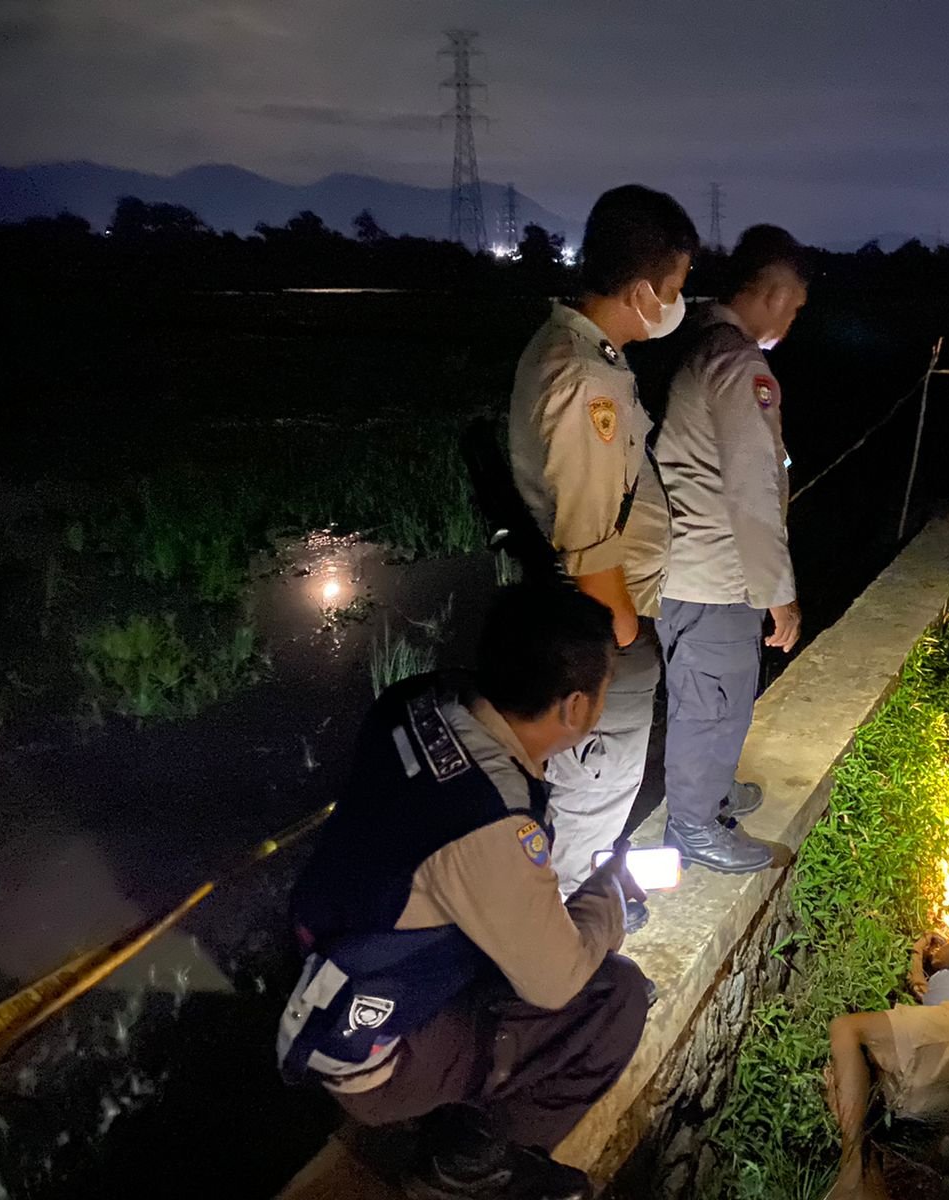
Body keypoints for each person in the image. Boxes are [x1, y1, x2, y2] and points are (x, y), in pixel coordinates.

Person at [276, 584, 650, 1200]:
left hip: (332, 960)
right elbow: (557, 982)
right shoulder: (489, 821)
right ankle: (470, 1165)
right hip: (373, 1055)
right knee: (616, 999)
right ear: (577, 707)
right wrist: (611, 894)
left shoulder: (414, 700)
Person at [508, 184, 700, 915]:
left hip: (590, 623)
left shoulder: (577, 349)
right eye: (677, 286)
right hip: (598, 632)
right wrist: (624, 645)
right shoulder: (586, 378)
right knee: (591, 787)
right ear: (646, 287)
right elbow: (592, 551)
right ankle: (559, 944)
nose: (680, 302)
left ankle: (585, 892)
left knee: (589, 789)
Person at [652, 225, 812, 874]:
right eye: (795, 306)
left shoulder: (698, 344)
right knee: (710, 704)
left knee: (717, 695)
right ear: (771, 293)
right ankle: (693, 825)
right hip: (712, 572)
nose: (794, 319)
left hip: (690, 564)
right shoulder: (741, 366)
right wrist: (782, 594)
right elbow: (752, 491)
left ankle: (711, 793)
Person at [824, 927, 949, 1200]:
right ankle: (869, 1185)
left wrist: (934, 947)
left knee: (846, 1030)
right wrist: (916, 957)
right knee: (854, 1089)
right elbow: (919, 985)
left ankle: (851, 1169)